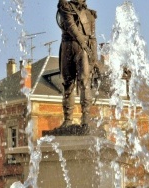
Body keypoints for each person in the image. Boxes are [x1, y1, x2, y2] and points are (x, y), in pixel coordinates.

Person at [56, 0, 98, 129]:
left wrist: (94, 58)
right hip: (69, 47)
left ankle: (85, 118)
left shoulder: (89, 14)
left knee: (85, 83)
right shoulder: (65, 7)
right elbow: (71, 26)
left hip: (83, 50)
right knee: (68, 83)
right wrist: (84, 44)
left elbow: (92, 37)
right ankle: (68, 119)